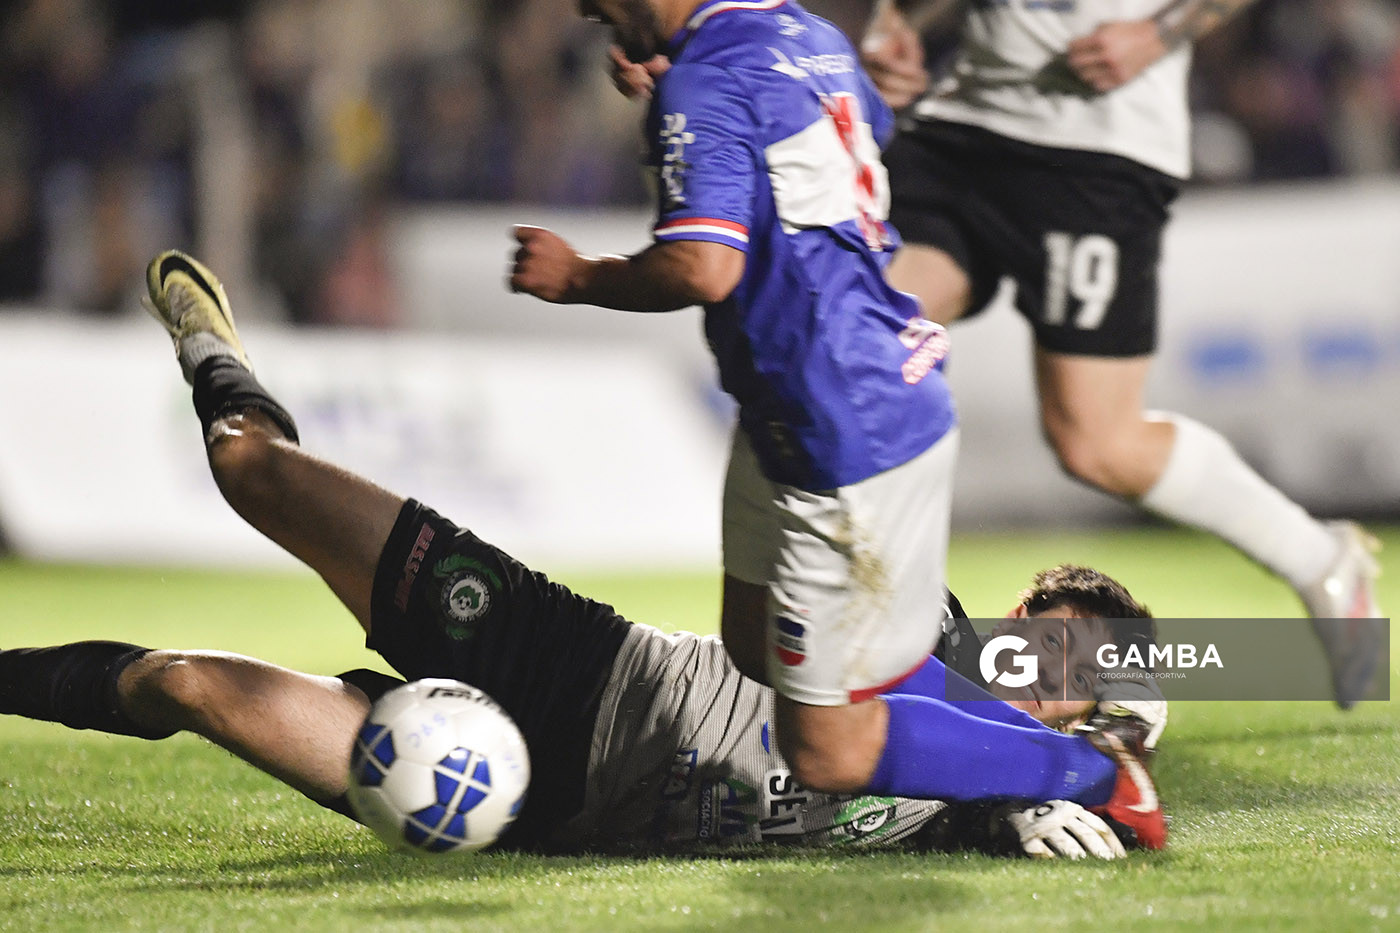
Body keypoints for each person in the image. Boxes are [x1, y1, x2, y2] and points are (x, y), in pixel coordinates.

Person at [0, 250, 1165, 855]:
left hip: (529, 806)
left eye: (1071, 677)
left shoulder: (982, 808)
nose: (1039, 674)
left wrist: (1060, 778)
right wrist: (1072, 758)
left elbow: (1106, 765)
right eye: (1043, 647)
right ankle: (213, 352)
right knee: (249, 470)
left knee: (186, 685)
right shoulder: (924, 631)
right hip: (576, 665)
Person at [859, 0, 1385, 709]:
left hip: (1099, 146)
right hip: (965, 124)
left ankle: (1319, 557)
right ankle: (857, 619)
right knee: (862, 345)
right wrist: (900, 22)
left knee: (1096, 442)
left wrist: (1157, 32)